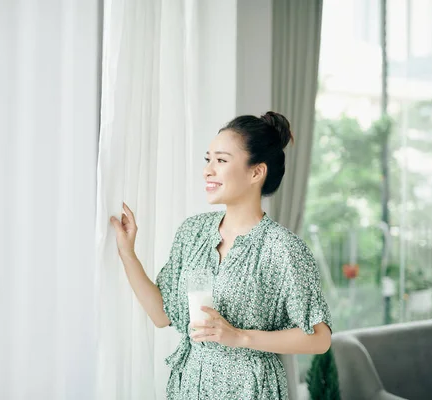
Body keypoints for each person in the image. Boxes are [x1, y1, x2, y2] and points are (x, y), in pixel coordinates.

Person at [109, 111, 333, 400]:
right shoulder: (193, 232)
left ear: (256, 172)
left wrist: (240, 337)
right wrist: (128, 254)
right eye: (208, 159)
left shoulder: (283, 248)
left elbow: (320, 338)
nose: (208, 170)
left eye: (221, 160)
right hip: (191, 384)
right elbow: (162, 315)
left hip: (250, 389)